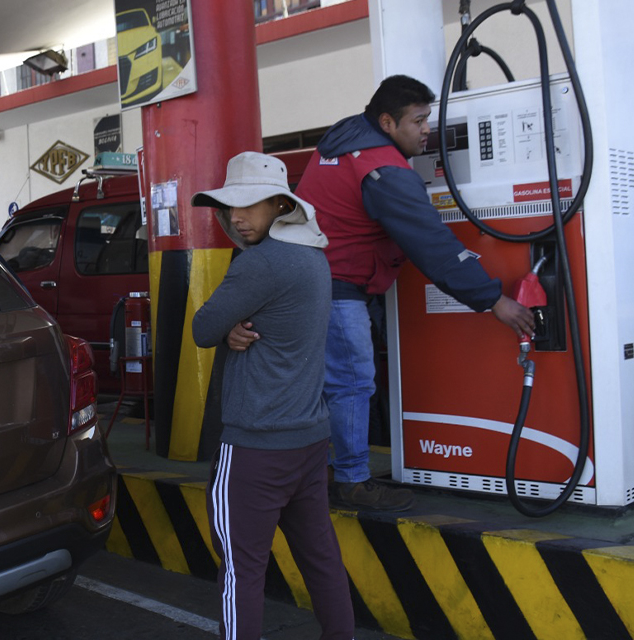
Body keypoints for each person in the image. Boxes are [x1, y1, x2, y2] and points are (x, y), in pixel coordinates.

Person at [292, 75, 535, 511]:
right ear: (387, 122)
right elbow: (432, 245)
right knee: (351, 383)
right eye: (418, 121)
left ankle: (323, 472)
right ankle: (351, 481)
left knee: (327, 385)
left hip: (311, 283)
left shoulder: (345, 138)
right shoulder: (384, 169)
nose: (427, 130)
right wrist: (494, 299)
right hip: (336, 288)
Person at [192, 151, 354, 640]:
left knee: (242, 570)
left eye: (251, 205)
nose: (237, 217)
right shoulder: (313, 257)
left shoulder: (260, 264)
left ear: (281, 205)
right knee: (320, 556)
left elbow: (202, 327)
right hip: (308, 439)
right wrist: (232, 331)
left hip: (255, 446)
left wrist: (224, 331)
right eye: (230, 206)